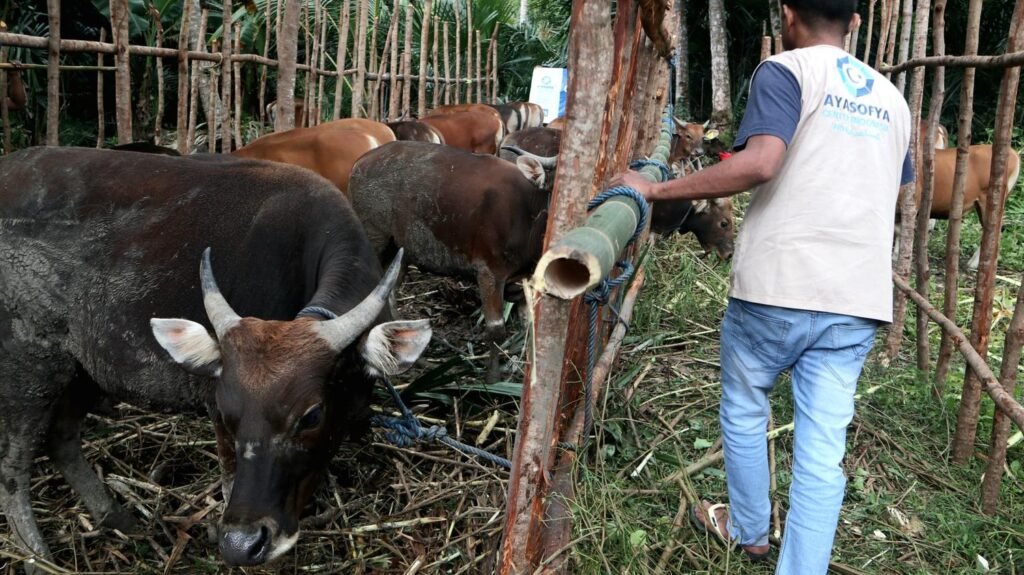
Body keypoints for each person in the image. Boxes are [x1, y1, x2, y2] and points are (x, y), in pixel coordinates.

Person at [612, 0, 913, 572]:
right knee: (823, 453)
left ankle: (750, 530)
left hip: (778, 285)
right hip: (857, 296)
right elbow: (891, 187)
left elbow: (760, 163)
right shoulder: (892, 99)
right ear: (854, 22)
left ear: (787, 14)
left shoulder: (786, 70)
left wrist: (655, 190)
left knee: (747, 407)